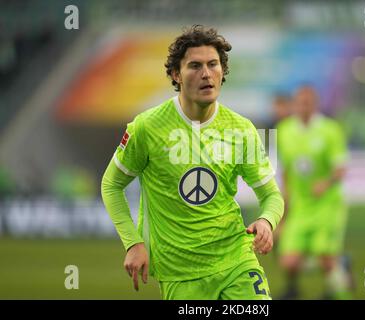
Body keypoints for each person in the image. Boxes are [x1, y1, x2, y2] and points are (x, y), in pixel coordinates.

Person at [101, 25, 284, 300]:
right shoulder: (147, 128)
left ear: (222, 72)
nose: (206, 74)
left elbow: (271, 196)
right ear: (176, 74)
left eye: (213, 64)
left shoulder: (241, 129)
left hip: (236, 260)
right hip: (180, 273)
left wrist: (267, 222)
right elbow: (111, 185)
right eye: (195, 66)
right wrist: (133, 243)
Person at [275, 85, 351, 300]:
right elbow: (287, 173)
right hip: (301, 206)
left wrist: (326, 183)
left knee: (325, 258)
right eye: (299, 103)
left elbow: (341, 168)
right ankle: (295, 288)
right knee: (288, 261)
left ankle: (340, 292)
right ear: (294, 105)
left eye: (307, 102)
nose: (303, 107)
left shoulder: (331, 130)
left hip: (327, 204)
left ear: (315, 104)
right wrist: (284, 207)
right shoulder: (284, 131)